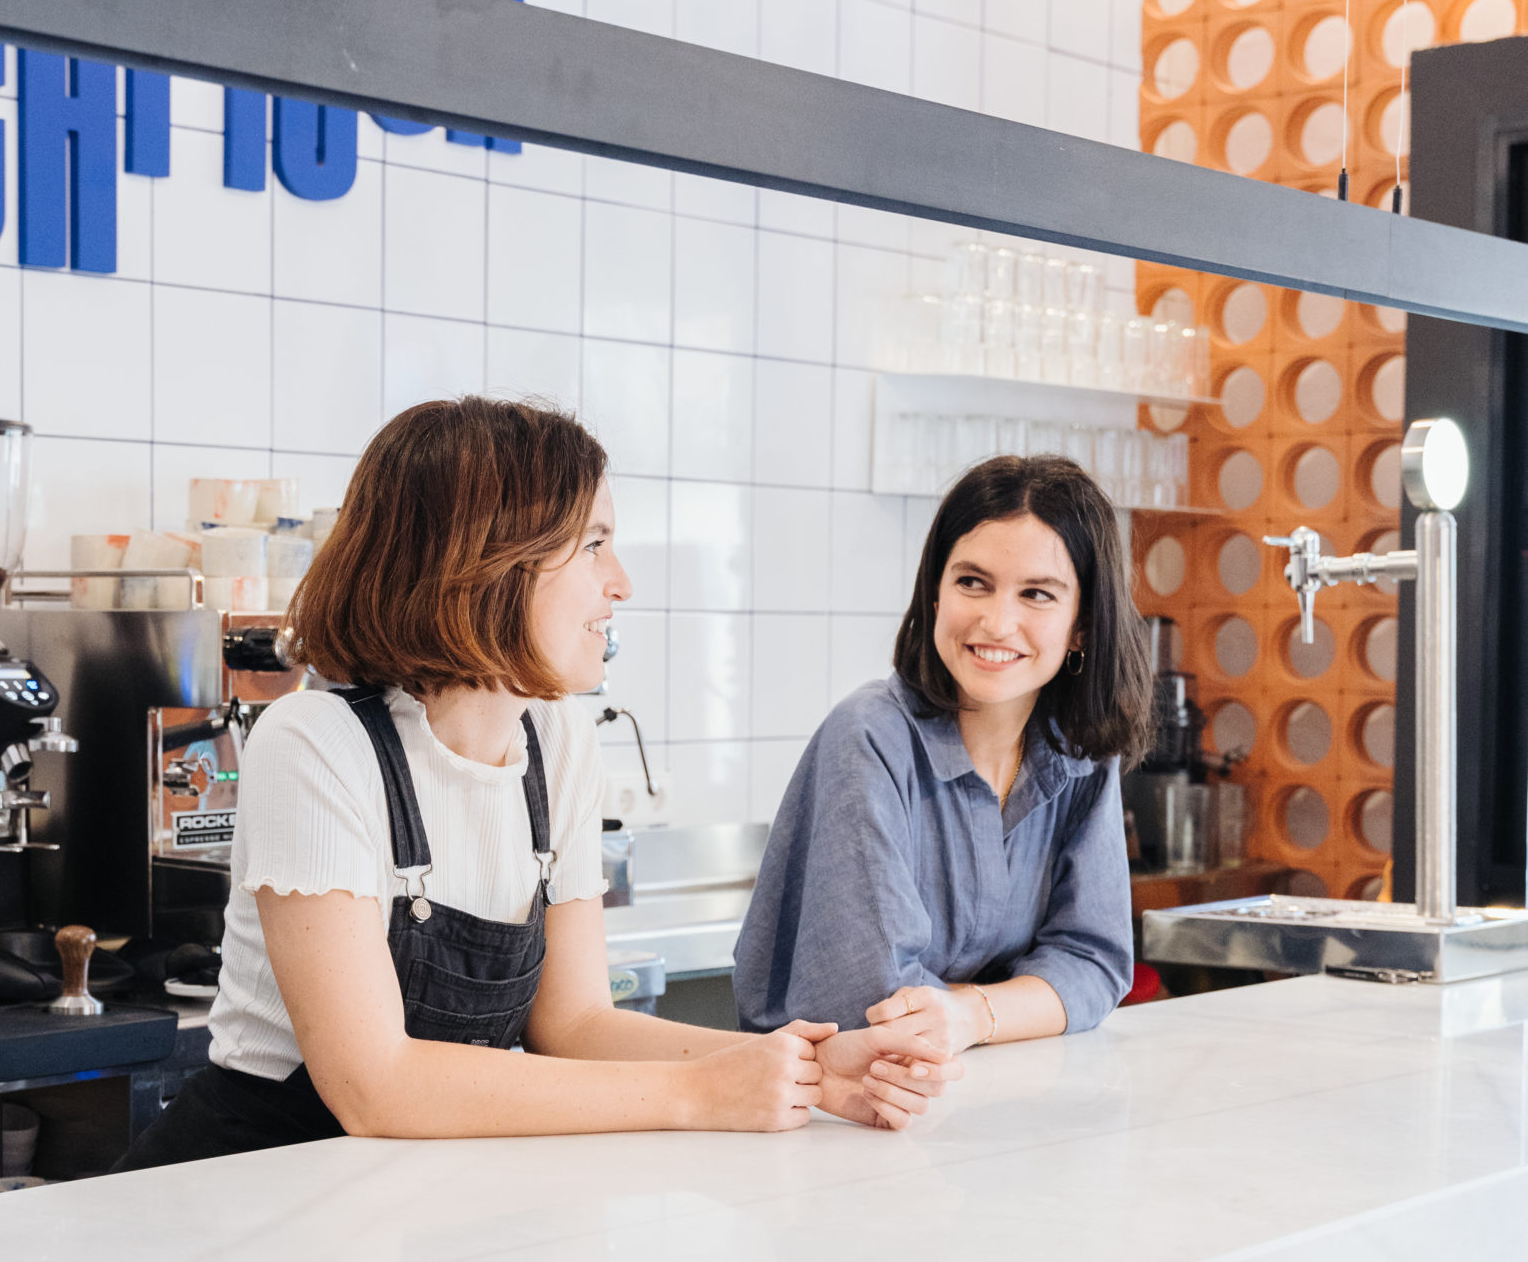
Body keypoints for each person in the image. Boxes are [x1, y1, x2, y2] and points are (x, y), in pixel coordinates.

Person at [120, 399, 950, 1167]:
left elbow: (573, 1024)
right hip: (260, 1178)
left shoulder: (556, 740)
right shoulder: (315, 743)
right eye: (593, 545)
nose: (620, 582)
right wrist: (697, 1090)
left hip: (412, 1183)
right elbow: (375, 1086)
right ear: (485, 562)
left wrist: (806, 1066)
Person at [734, 454, 1153, 1061]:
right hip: (836, 1115)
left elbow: (1095, 962)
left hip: (990, 1095)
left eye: (1036, 594)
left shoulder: (1080, 748)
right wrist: (1013, 1002)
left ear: (1082, 624)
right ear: (935, 591)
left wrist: (969, 1013)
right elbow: (876, 1006)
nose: (996, 621)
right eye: (972, 582)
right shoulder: (870, 736)